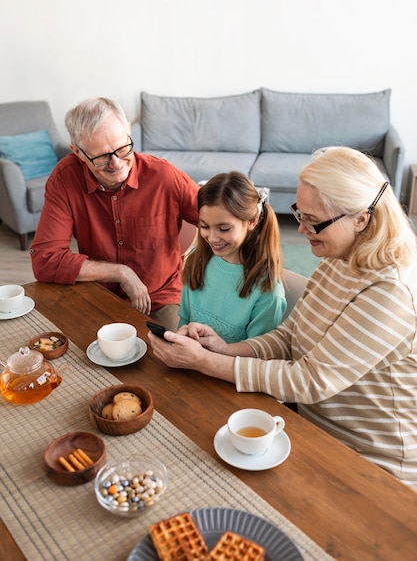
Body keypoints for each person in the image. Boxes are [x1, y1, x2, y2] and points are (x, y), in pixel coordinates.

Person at [148, 147, 417, 489]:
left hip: (371, 458)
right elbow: (290, 334)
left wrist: (204, 362)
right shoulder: (341, 255)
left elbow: (309, 380)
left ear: (361, 218)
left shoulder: (389, 290)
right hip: (310, 427)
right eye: (299, 213)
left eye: (313, 220)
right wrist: (226, 350)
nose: (301, 229)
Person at [30, 97, 199, 330]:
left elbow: (218, 218)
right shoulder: (65, 178)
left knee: (172, 357)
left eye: (123, 148)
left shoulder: (164, 176)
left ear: (128, 130)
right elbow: (45, 260)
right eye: (101, 157)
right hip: (97, 296)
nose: (117, 164)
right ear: (78, 152)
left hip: (160, 298)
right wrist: (120, 272)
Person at [178, 171, 287, 342]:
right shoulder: (195, 260)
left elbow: (257, 355)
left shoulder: (267, 291)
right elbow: (184, 321)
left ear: (252, 221)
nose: (212, 238)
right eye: (205, 226)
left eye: (224, 229)